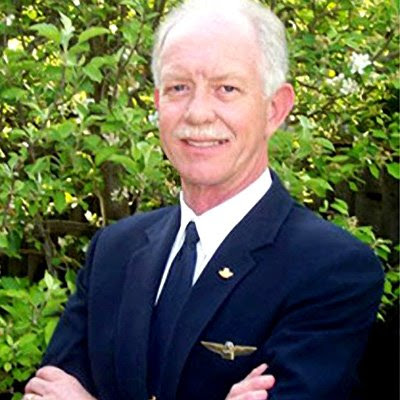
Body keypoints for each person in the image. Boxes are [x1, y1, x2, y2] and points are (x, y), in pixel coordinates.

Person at [23, 0, 384, 399]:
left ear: (274, 109)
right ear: (158, 102)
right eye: (179, 88)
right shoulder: (114, 251)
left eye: (226, 89)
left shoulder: (331, 269)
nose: (197, 113)